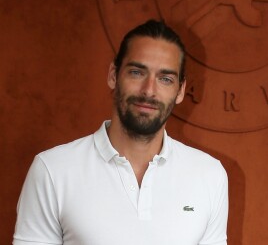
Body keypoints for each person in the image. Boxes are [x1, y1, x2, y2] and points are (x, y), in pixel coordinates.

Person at [13, 19, 228, 245]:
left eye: (165, 79)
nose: (149, 91)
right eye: (137, 72)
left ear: (180, 90)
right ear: (113, 75)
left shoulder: (209, 175)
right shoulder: (52, 170)